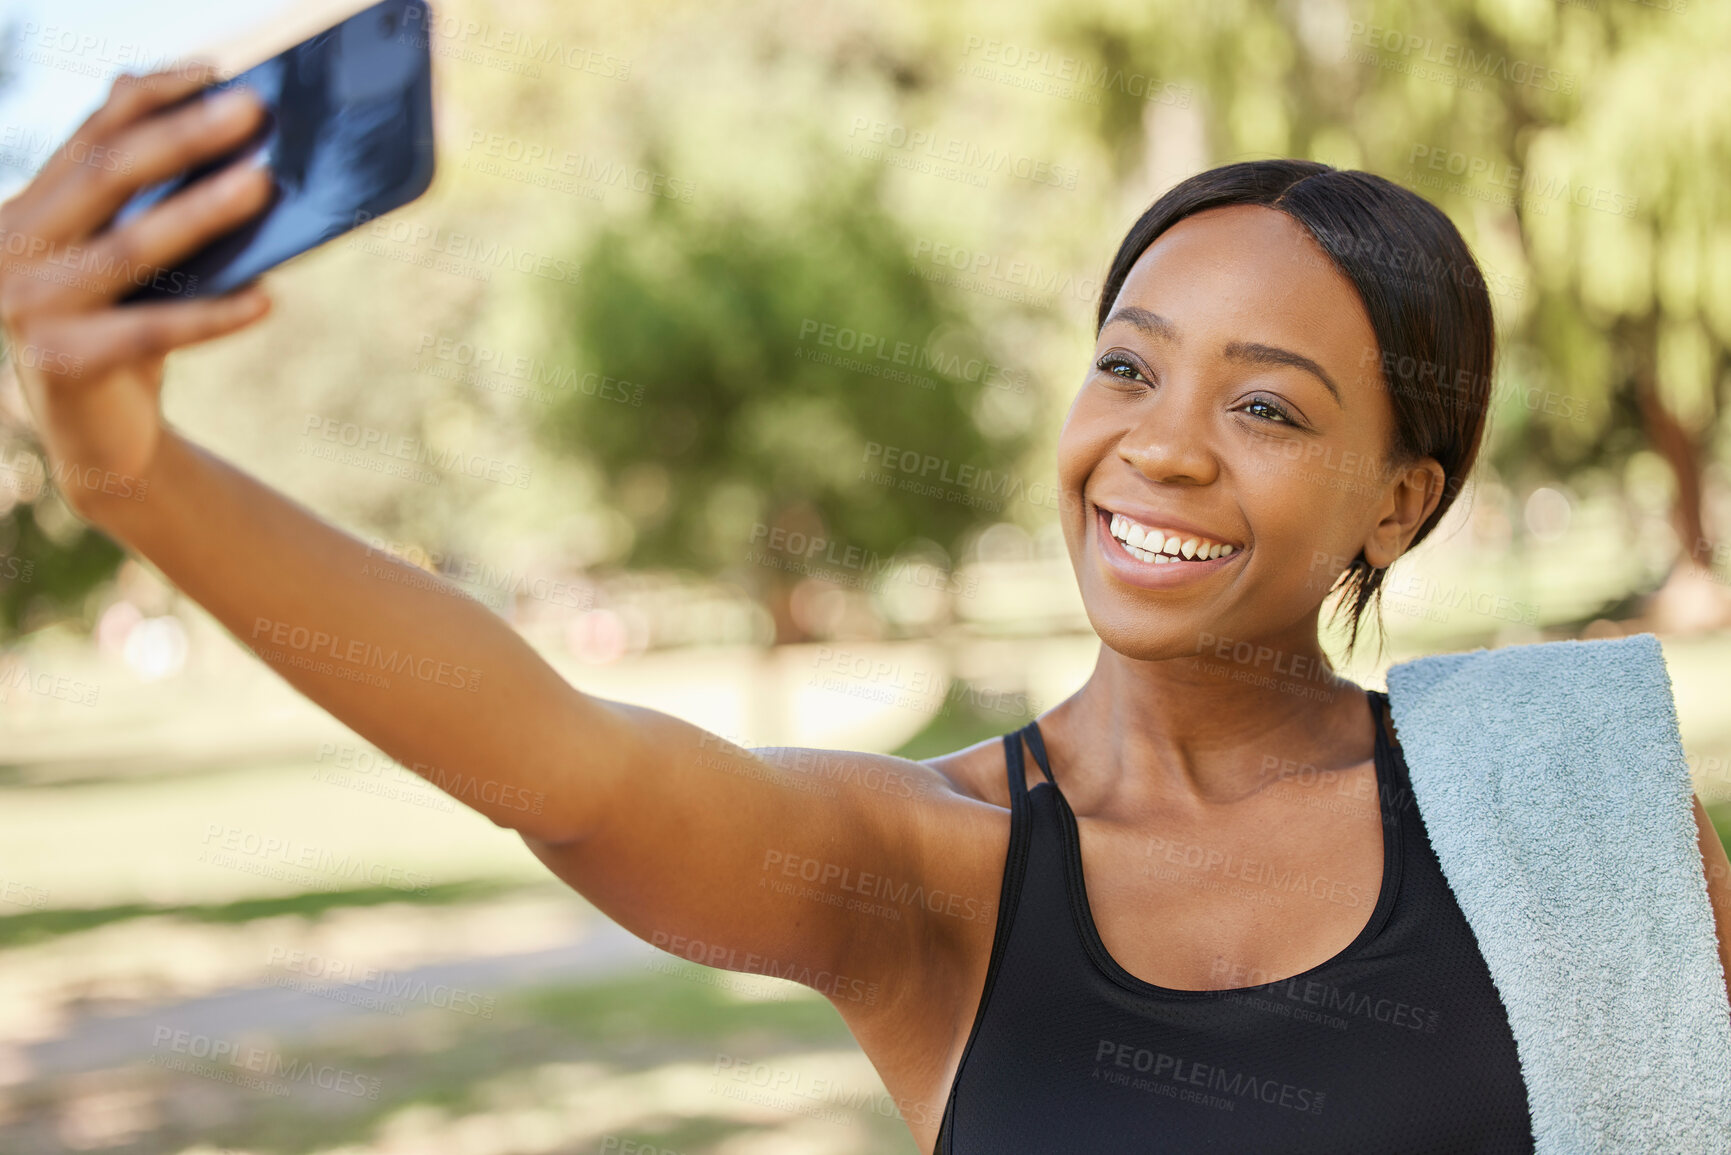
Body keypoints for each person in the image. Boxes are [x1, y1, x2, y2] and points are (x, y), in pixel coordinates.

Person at [3, 68, 1728, 1154]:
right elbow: (566, 766)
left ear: (1398, 501)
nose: (1162, 447)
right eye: (1126, 365)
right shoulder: (935, 875)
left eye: (1267, 407)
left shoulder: (1565, 804)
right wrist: (134, 474)